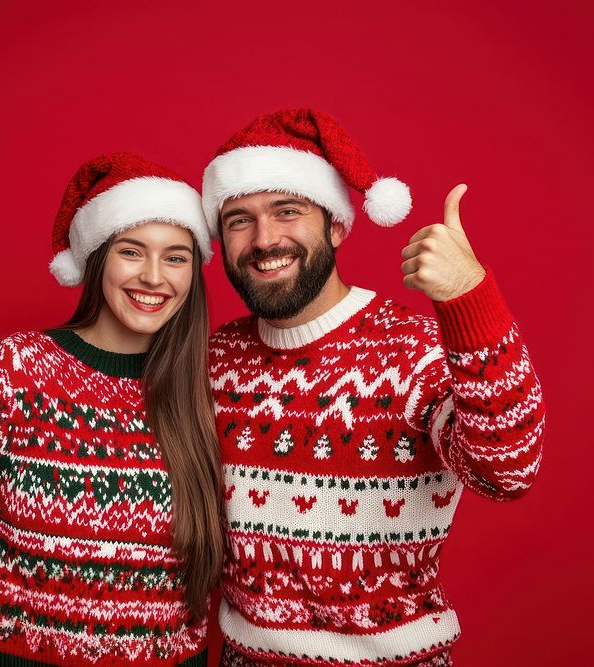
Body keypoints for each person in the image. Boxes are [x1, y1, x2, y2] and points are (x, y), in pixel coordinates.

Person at [199, 109, 546, 666]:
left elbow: (508, 472)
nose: (264, 239)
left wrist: (470, 297)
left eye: (287, 211)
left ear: (336, 224)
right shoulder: (215, 359)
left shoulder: (412, 353)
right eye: (239, 219)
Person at [0, 153, 224, 667]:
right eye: (132, 251)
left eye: (176, 257)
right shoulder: (23, 369)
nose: (154, 276)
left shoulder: (202, 391)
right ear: (98, 258)